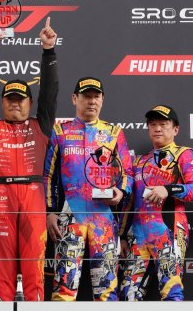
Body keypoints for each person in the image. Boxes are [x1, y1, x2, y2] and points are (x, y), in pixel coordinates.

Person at [0, 18, 59, 301]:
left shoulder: (41, 124)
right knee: (3, 267)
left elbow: (50, 92)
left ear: (30, 103)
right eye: (9, 98)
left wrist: (48, 51)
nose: (15, 103)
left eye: (21, 99)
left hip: (33, 196)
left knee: (34, 267)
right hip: (2, 196)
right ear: (2, 102)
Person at [43, 77, 133, 301]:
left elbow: (127, 173)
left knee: (106, 288)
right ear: (75, 99)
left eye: (96, 96)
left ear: (102, 100)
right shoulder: (60, 131)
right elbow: (48, 175)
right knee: (64, 286)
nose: (92, 101)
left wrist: (121, 192)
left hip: (104, 218)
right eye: (86, 96)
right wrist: (50, 211)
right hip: (69, 217)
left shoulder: (114, 133)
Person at [120, 105, 193, 301]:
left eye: (163, 124)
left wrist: (168, 189)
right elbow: (128, 203)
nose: (157, 128)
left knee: (171, 291)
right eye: (153, 124)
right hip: (137, 236)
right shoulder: (138, 161)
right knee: (128, 295)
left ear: (175, 129)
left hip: (169, 232)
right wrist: (122, 236)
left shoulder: (184, 154)